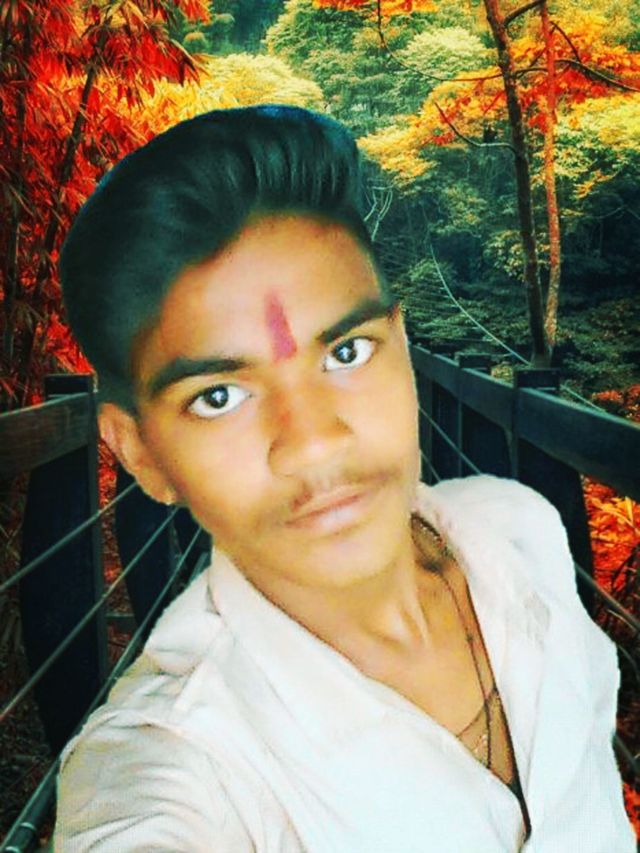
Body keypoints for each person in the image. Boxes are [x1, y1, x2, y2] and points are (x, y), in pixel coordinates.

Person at [53, 106, 634, 852]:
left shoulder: (518, 529)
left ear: (402, 345)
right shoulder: (175, 761)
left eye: (347, 352)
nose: (314, 442)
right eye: (219, 396)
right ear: (140, 455)